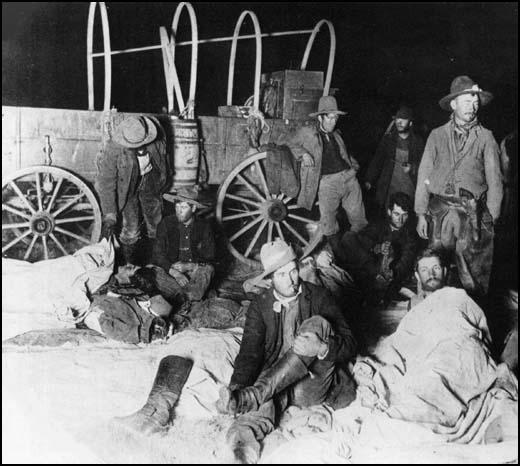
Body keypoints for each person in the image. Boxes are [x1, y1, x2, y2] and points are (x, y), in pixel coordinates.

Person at [217, 240, 357, 463]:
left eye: (293, 271)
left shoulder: (319, 296)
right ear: (270, 279)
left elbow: (350, 344)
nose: (291, 280)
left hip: (311, 385)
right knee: (255, 408)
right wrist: (237, 386)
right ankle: (242, 452)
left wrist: (322, 347)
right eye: (282, 275)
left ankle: (252, 396)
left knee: (318, 323)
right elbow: (249, 353)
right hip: (276, 381)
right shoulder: (260, 304)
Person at [415, 76, 503, 296]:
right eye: (467, 101)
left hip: (472, 213)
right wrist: (420, 213)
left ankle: (473, 315)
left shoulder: (486, 138)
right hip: (440, 212)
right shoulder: (436, 136)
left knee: (473, 276)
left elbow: (495, 182)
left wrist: (491, 218)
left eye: (475, 103)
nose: (472, 107)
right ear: (453, 104)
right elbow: (424, 173)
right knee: (434, 270)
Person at [288, 95, 368, 256]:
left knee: (359, 220)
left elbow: (345, 155)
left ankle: (355, 251)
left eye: (336, 118)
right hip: (327, 183)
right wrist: (302, 154)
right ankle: (340, 256)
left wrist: (354, 168)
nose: (333, 121)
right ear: (320, 117)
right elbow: (288, 141)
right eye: (330, 118)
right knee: (329, 223)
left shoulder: (337, 135)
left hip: (349, 178)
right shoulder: (307, 132)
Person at [96, 115, 168, 265]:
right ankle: (129, 264)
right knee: (131, 226)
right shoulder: (113, 149)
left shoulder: (157, 140)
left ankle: (157, 264)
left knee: (156, 223)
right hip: (127, 186)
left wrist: (161, 183)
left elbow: (164, 163)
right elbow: (106, 181)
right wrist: (110, 213)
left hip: (150, 181)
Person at [341, 191, 419, 305]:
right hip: (369, 269)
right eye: (397, 214)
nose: (400, 220)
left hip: (390, 277)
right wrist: (377, 247)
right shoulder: (379, 225)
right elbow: (362, 240)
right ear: (389, 212)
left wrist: (392, 273)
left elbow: (406, 261)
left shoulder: (410, 236)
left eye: (404, 215)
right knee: (348, 238)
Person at [151, 186, 215, 309]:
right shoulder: (166, 223)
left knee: (208, 270)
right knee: (154, 272)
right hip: (172, 271)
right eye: (177, 207)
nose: (179, 211)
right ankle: (192, 295)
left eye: (184, 207)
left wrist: (191, 266)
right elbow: (157, 254)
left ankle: (181, 297)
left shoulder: (204, 226)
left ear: (193, 208)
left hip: (194, 271)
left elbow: (210, 256)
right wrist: (174, 272)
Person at [364, 105, 425, 212]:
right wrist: (369, 179)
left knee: (406, 215)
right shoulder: (388, 140)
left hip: (409, 187)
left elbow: (425, 165)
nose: (399, 123)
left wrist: (413, 168)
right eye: (397, 119)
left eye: (403, 120)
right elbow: (377, 160)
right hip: (390, 185)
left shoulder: (417, 142)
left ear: (410, 123)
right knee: (390, 215)